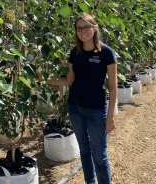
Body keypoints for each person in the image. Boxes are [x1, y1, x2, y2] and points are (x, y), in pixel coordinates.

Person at [40, 13, 117, 184]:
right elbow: (68, 80)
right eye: (79, 28)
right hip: (75, 108)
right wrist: (43, 78)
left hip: (96, 110)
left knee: (100, 156)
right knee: (84, 150)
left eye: (86, 27)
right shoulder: (75, 52)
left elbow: (113, 86)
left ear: (94, 28)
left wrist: (110, 116)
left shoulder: (106, 53)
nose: (83, 31)